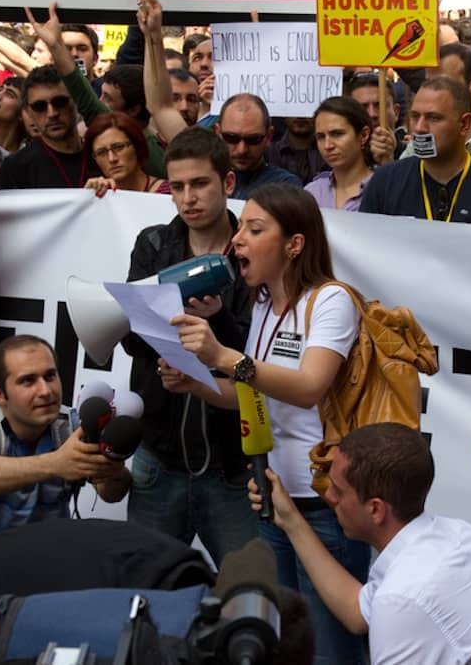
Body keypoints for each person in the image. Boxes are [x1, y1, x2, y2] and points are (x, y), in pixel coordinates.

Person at [166, 182, 369, 665]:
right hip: (274, 499)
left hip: (325, 507)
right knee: (291, 645)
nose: (237, 240)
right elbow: (254, 395)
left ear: (295, 244)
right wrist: (195, 384)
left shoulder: (330, 300)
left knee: (331, 651)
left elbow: (308, 386)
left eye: (255, 230)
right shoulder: (261, 305)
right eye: (240, 229)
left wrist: (223, 356)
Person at [248, 422, 471, 665]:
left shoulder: (402, 597)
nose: (328, 497)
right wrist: (290, 519)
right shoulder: (459, 535)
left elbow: (393, 603)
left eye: (339, 491)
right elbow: (357, 612)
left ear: (376, 509)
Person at [121, 127, 257, 565]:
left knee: (249, 590)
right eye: (177, 186)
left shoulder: (253, 251)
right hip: (159, 459)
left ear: (228, 184)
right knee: (146, 586)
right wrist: (169, 346)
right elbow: (127, 336)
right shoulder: (153, 244)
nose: (187, 198)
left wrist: (216, 319)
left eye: (199, 184)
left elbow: (254, 357)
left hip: (232, 468)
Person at [0, 335, 130, 568]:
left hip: (42, 573)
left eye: (50, 376)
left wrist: (111, 469)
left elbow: (112, 493)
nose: (45, 391)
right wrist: (57, 463)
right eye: (28, 381)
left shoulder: (73, 426)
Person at [359, 76, 471, 235]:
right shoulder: (385, 182)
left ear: (464, 124)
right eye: (415, 116)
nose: (419, 128)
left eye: (433, 118)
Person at [25, 2, 166, 177]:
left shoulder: (159, 154)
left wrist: (56, 47)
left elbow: (87, 101)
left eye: (107, 98)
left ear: (134, 109)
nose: (112, 157)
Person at [0, 65, 86, 189]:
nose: (52, 114)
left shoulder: (101, 155)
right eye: (39, 106)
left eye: (59, 102)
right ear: (27, 112)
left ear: (75, 101)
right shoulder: (16, 167)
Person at [216, 93, 303, 199]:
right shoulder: (202, 178)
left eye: (253, 139)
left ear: (269, 136)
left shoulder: (286, 187)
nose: (242, 150)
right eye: (231, 138)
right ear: (218, 133)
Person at [305, 97, 374, 211]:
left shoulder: (382, 190)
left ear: (363, 135)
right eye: (321, 137)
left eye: (337, 134)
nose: (328, 145)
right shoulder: (312, 193)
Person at [82, 113, 170, 195]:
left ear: (136, 146)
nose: (112, 159)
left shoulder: (169, 194)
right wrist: (88, 199)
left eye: (119, 147)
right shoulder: (100, 197)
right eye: (101, 153)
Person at [344, 69, 401, 164]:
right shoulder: (337, 164)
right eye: (363, 107)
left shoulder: (416, 160)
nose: (372, 114)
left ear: (396, 112)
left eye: (379, 106)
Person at [268, 116, 325, 186]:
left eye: (306, 108)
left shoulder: (328, 150)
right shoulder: (268, 153)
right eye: (294, 110)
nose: (300, 117)